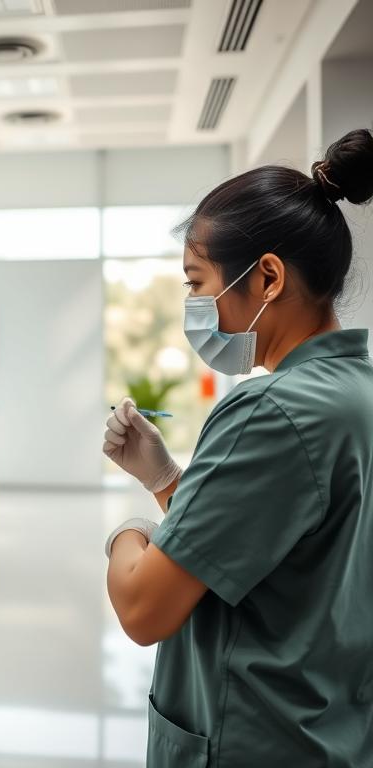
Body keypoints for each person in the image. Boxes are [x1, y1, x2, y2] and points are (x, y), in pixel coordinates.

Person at [102, 128, 373, 767]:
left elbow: (144, 609)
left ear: (268, 278)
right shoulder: (356, 392)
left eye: (198, 283)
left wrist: (128, 535)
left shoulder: (270, 407)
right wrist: (165, 477)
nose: (195, 305)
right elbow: (280, 547)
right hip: (329, 731)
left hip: (253, 736)